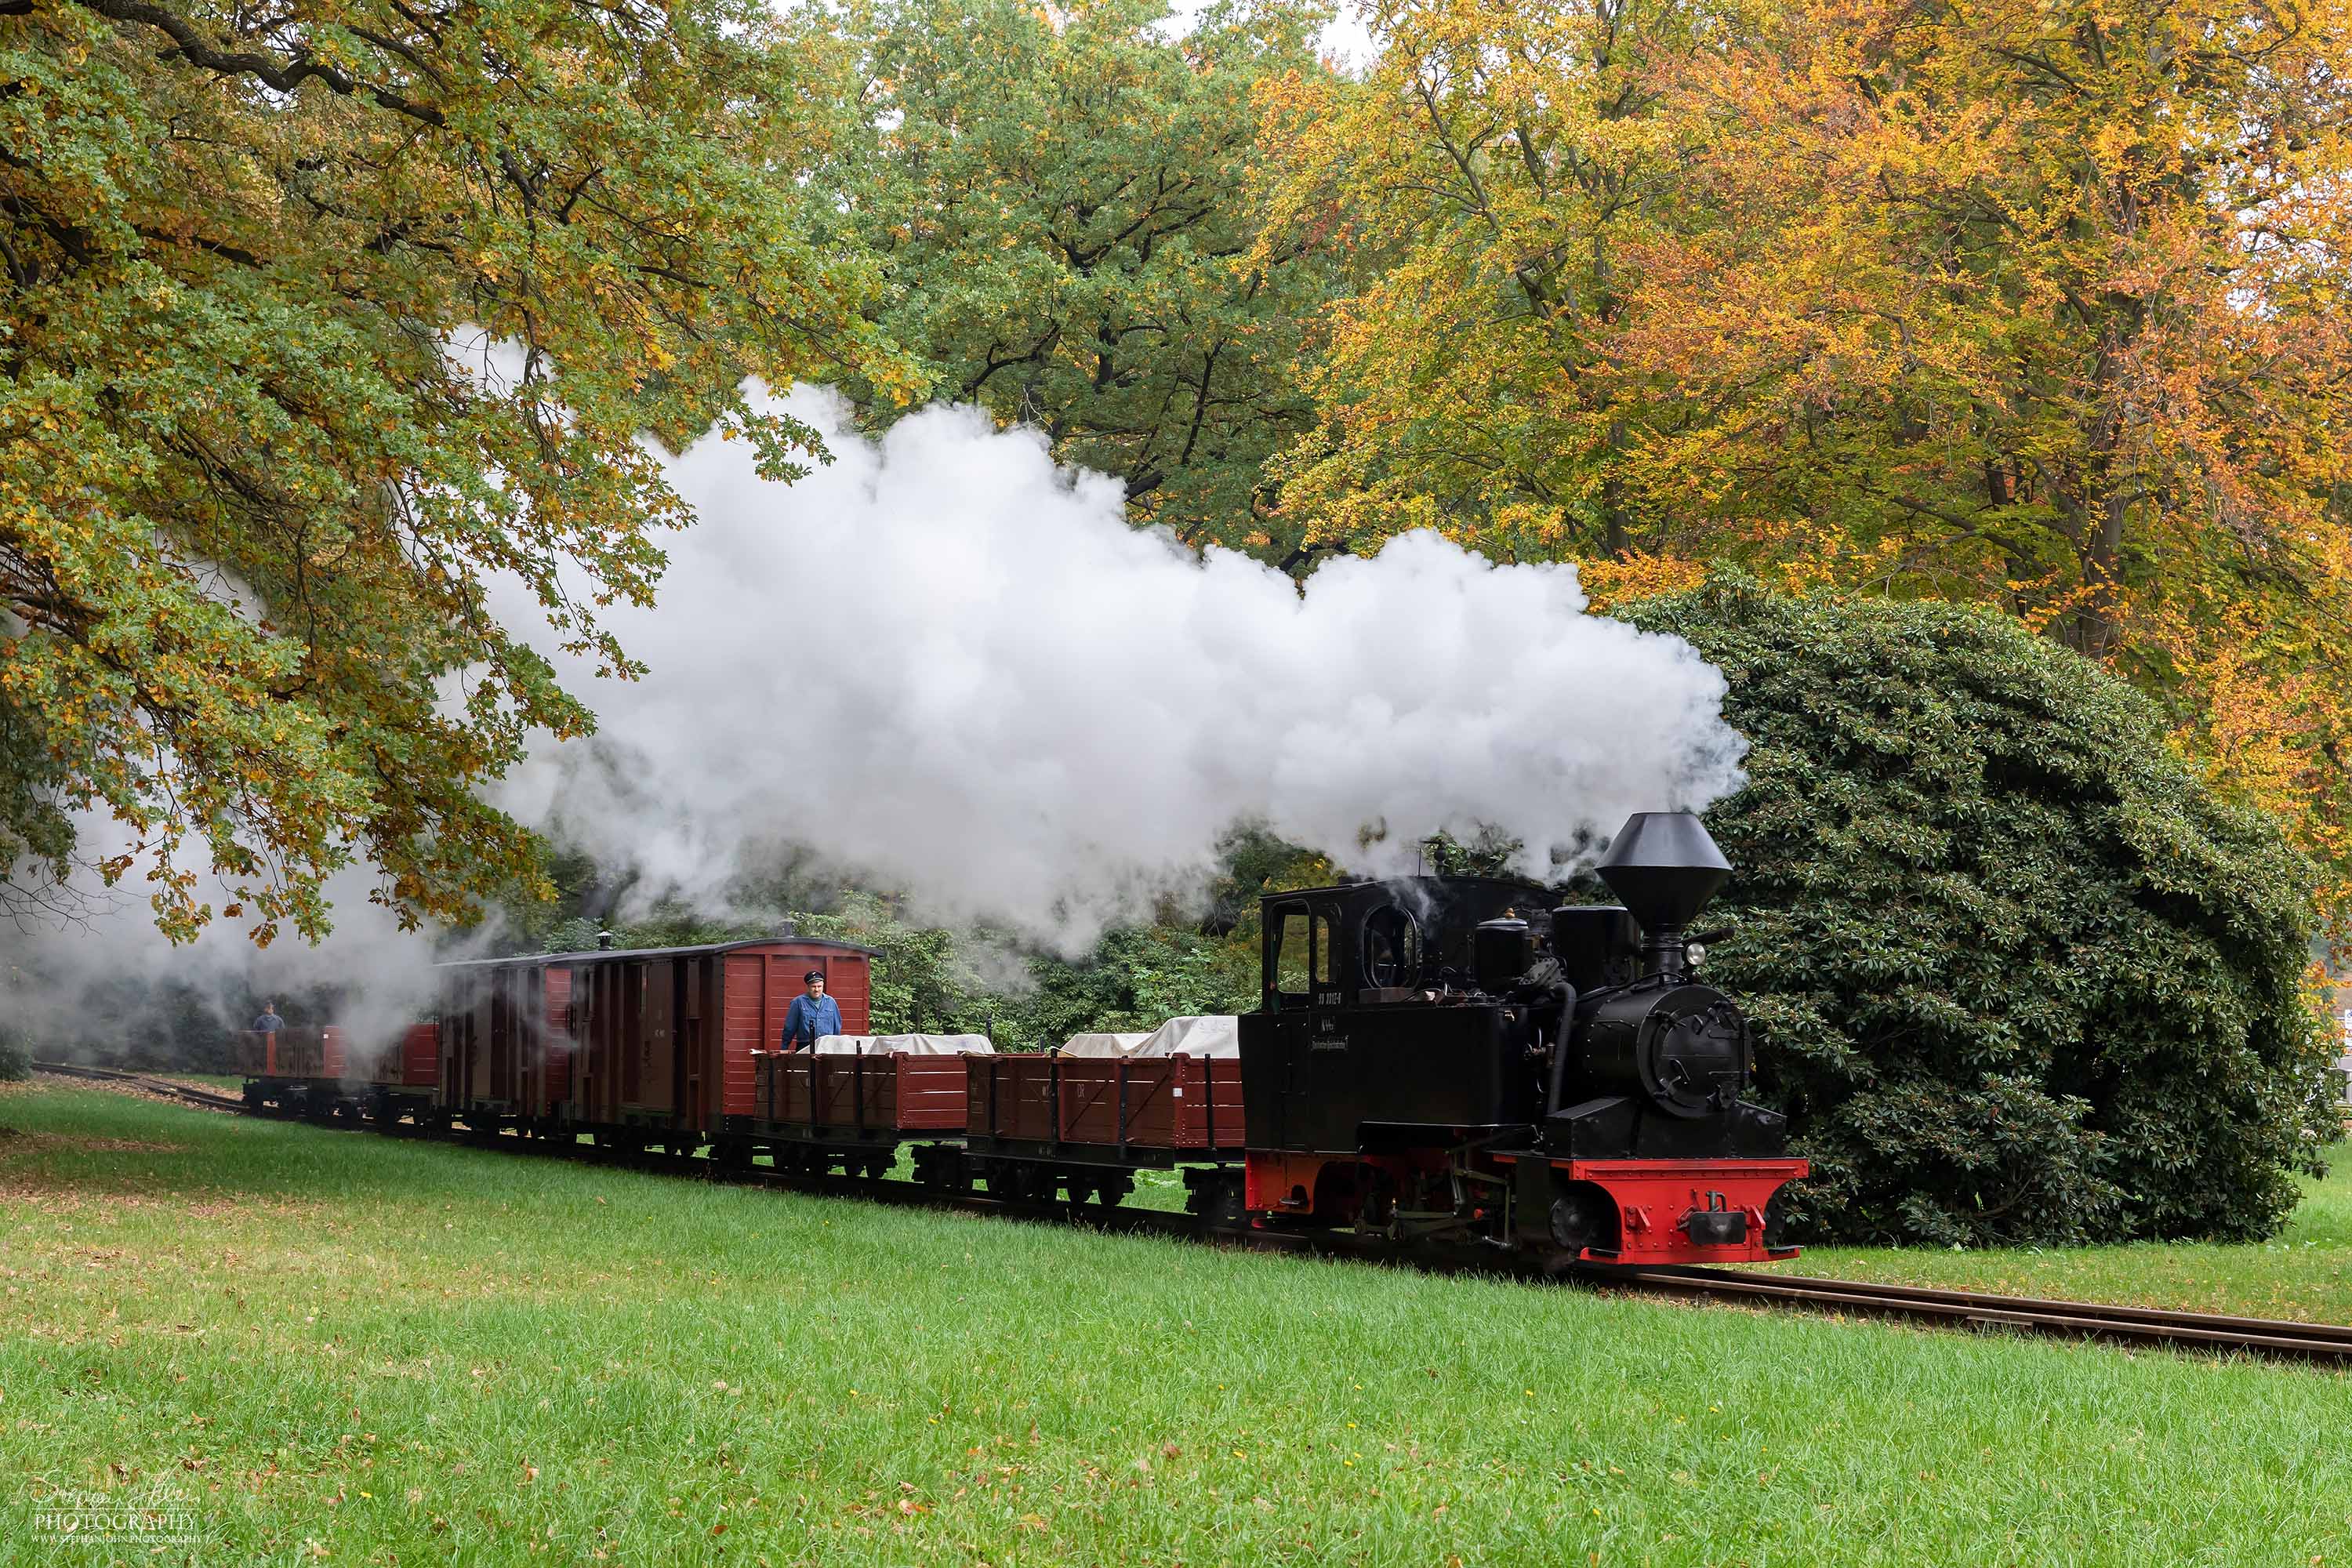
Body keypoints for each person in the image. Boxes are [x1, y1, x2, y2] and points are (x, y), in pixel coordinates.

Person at [779, 971, 841, 1053]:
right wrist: (784, 1047)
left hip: (827, 1047)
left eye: (819, 986)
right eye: (813, 987)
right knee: (804, 1066)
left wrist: (836, 1046)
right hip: (805, 1046)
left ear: (823, 986)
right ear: (808, 987)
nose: (817, 989)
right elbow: (790, 1027)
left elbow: (837, 1026)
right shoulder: (798, 1002)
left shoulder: (831, 1002)